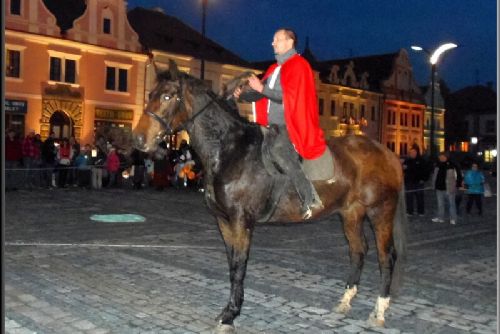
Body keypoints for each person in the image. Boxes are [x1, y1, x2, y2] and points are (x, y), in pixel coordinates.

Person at [234, 28, 327, 219]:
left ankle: (310, 198)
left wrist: (260, 87)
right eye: (273, 40)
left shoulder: (299, 65)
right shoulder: (274, 69)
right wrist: (243, 95)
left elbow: (288, 97)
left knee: (279, 153)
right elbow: (261, 92)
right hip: (267, 125)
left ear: (290, 42)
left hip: (286, 125)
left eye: (277, 39)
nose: (273, 43)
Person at [431, 152, 463, 225]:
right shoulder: (437, 165)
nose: (441, 158)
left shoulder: (452, 165)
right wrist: (433, 184)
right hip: (439, 188)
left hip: (449, 187)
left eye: (442, 157)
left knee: (451, 204)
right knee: (440, 204)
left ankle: (453, 218)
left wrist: (458, 185)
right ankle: (440, 217)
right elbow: (435, 176)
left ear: (446, 157)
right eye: (440, 157)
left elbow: (458, 176)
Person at [402, 148, 427, 216]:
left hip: (418, 182)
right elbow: (404, 170)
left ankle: (421, 211)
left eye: (414, 152)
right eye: (411, 152)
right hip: (409, 182)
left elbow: (424, 170)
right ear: (409, 153)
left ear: (416, 153)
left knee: (420, 197)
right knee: (409, 197)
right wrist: (403, 169)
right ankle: (410, 211)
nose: (412, 154)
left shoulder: (421, 160)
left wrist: (423, 179)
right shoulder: (407, 161)